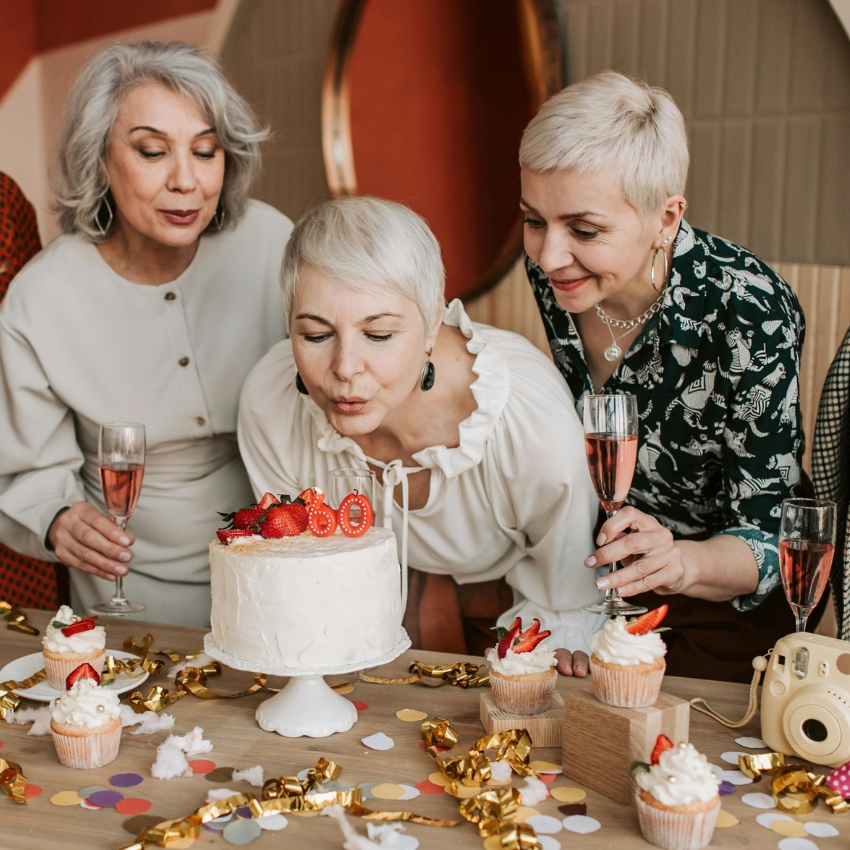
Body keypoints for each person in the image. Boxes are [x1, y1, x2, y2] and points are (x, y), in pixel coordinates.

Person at [519, 70, 806, 682]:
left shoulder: (751, 311)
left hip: (718, 593)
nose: (547, 256)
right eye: (533, 220)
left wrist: (679, 562)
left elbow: (771, 542)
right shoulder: (556, 275)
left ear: (666, 218)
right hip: (604, 570)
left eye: (584, 230)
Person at [0, 42, 293, 626]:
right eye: (152, 151)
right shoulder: (42, 298)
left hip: (282, 570)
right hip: (127, 590)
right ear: (100, 159)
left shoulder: (273, 245)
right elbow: (27, 471)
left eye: (206, 151)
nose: (186, 180)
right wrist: (59, 517)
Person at [238, 195, 603, 659]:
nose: (346, 368)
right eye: (315, 335)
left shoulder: (527, 423)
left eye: (380, 335)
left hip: (512, 632)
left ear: (433, 323)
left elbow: (568, 594)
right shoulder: (270, 403)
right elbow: (300, 579)